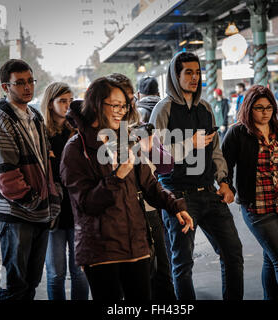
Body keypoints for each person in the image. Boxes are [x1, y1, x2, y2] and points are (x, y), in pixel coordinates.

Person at [60, 77, 194, 300]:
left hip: (137, 246)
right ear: (96, 104)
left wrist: (174, 205)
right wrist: (117, 177)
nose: (121, 111)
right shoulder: (75, 149)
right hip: (102, 252)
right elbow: (86, 204)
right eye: (115, 105)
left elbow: (150, 184)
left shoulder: (123, 139)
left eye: (124, 105)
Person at [149, 51, 244, 300]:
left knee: (233, 253)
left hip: (209, 192)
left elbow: (216, 150)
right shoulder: (163, 109)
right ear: (175, 75)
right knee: (182, 265)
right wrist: (190, 142)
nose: (195, 77)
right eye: (188, 72)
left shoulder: (205, 107)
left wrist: (224, 182)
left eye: (198, 72)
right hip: (177, 196)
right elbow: (156, 157)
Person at [0, 59, 62, 300]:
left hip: (39, 212)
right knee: (15, 286)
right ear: (5, 87)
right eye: (20, 83)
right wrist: (36, 202)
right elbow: (5, 174)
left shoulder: (35, 116)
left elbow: (45, 162)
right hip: (15, 215)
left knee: (30, 283)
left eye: (30, 81)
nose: (28, 87)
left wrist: (53, 197)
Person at [222, 85, 278, 300]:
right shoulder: (238, 132)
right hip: (256, 208)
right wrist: (226, 186)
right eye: (259, 107)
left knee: (272, 259)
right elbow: (224, 164)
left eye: (269, 107)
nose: (265, 112)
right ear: (249, 108)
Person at [108, 73, 176, 300]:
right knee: (130, 283)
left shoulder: (142, 128)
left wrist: (151, 147)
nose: (125, 106)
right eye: (118, 100)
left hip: (149, 209)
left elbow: (165, 166)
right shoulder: (99, 136)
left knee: (162, 276)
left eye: (128, 99)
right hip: (119, 216)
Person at [40, 82, 89, 300]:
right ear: (50, 104)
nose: (68, 105)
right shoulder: (41, 134)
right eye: (62, 101)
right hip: (54, 210)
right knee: (55, 273)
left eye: (70, 100)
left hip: (77, 206)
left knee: (80, 271)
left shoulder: (78, 130)